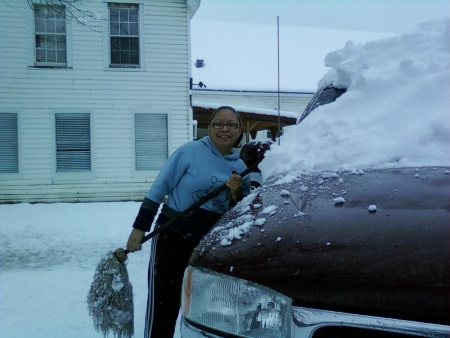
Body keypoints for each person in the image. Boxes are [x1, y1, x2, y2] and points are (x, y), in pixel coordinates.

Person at [126, 106, 251, 338]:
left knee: (205, 308)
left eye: (231, 124)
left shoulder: (242, 168)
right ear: (210, 128)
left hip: (209, 246)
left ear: (239, 130)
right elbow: (159, 188)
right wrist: (140, 227)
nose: (225, 129)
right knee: (164, 302)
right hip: (172, 235)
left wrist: (235, 194)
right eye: (218, 124)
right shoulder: (189, 151)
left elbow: (239, 215)